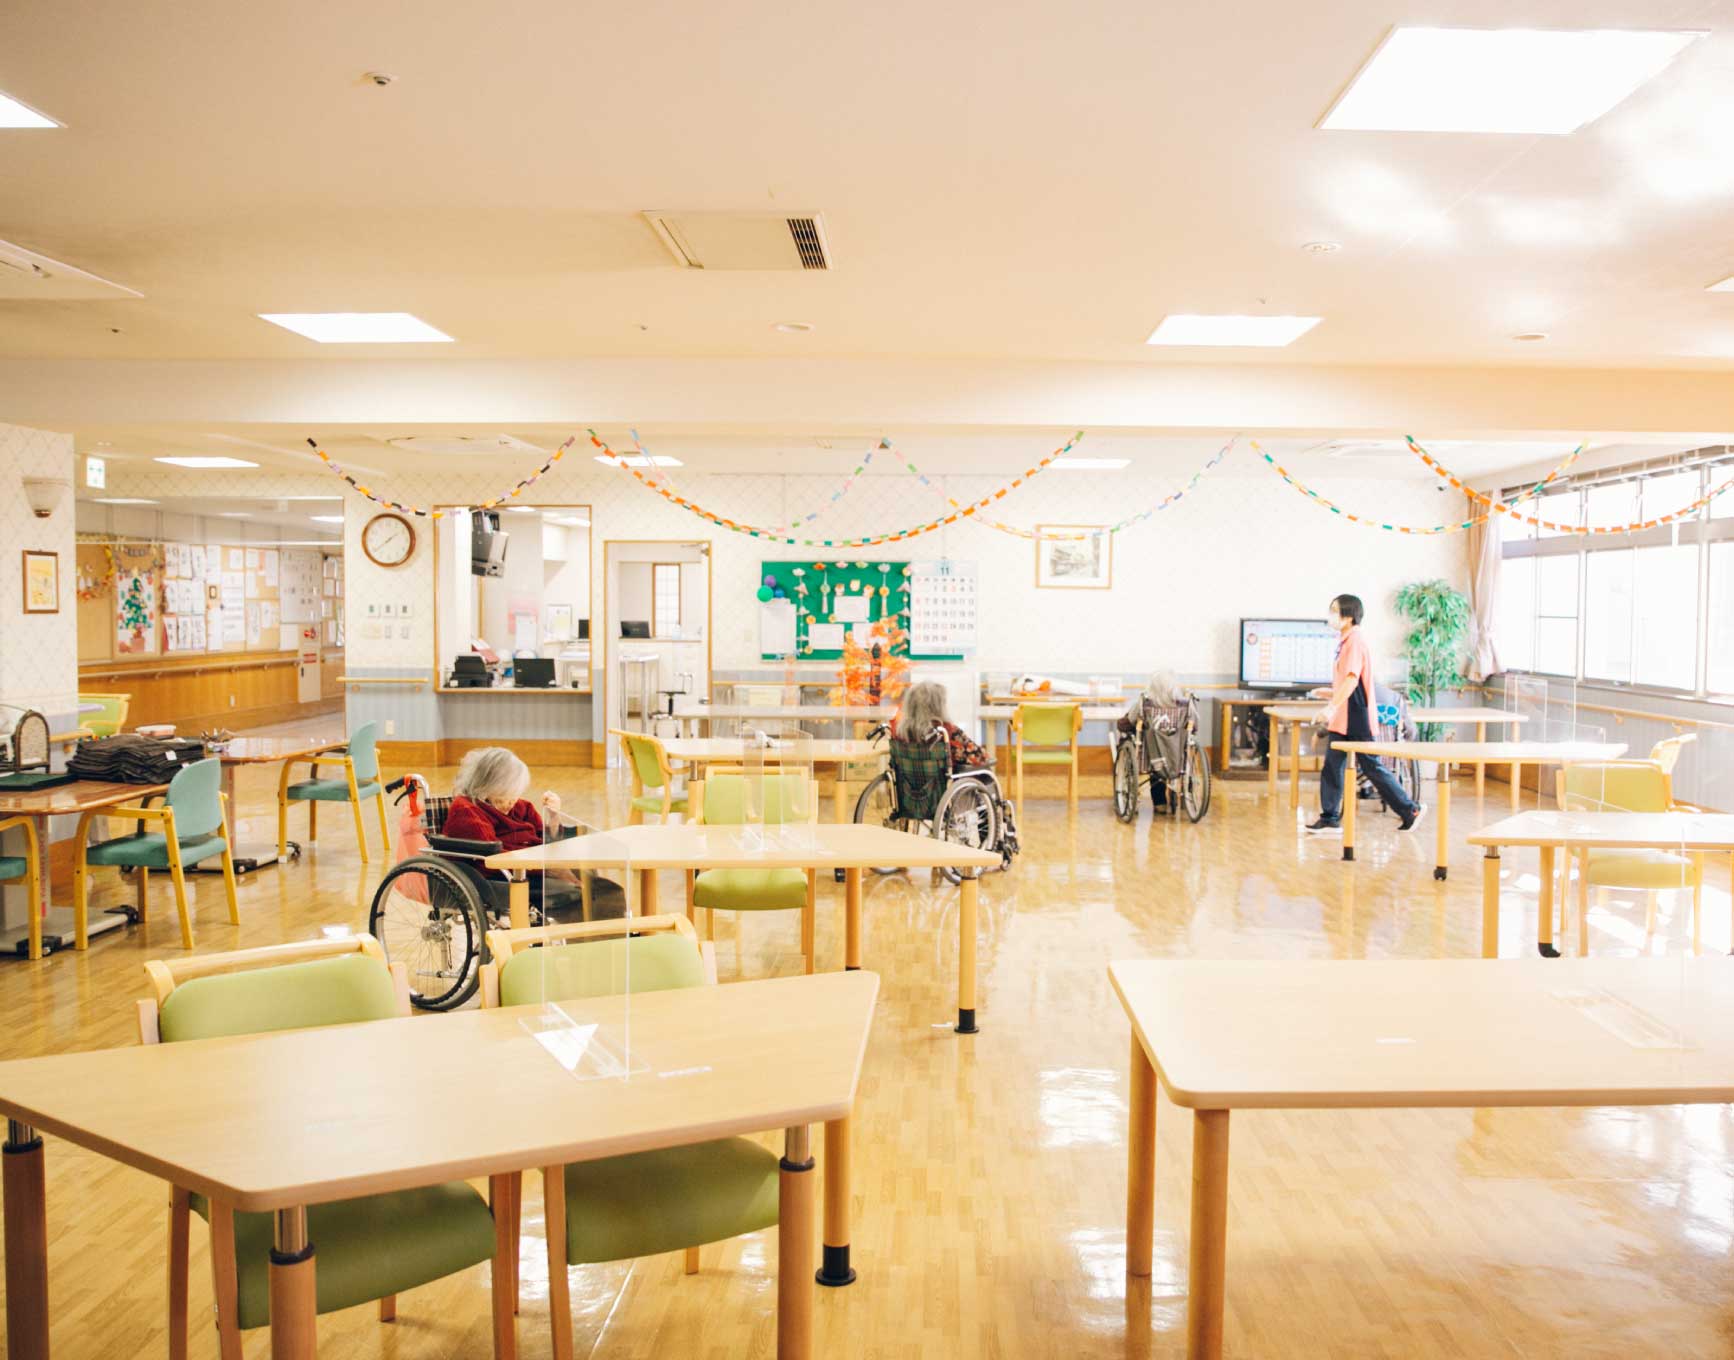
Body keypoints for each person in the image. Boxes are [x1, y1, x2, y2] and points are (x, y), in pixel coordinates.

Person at [1306, 594, 1424, 834]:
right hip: (1344, 717)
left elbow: (1352, 681)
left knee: (1371, 767)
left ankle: (1410, 809)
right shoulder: (1345, 641)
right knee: (1332, 766)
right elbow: (1348, 683)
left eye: (1334, 610)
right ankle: (1329, 818)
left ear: (1349, 616)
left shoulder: (1355, 641)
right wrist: (1328, 694)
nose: (1330, 615)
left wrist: (1331, 707)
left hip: (1355, 717)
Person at [443, 746, 597, 918]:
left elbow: (545, 840)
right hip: (505, 877)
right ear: (486, 786)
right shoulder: (466, 810)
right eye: (503, 796)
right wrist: (546, 868)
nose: (511, 802)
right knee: (579, 894)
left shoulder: (521, 806)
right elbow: (491, 857)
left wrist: (554, 817)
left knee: (596, 883)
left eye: (514, 794)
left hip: (534, 867)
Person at [1119, 670, 1188, 805]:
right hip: (1177, 754)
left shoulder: (1146, 703)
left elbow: (1131, 720)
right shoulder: (1183, 705)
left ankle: (1159, 803)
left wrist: (1121, 724)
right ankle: (1180, 797)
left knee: (1152, 752)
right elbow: (1193, 725)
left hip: (1153, 756)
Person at [894, 681, 990, 770]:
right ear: (938, 706)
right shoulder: (947, 731)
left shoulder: (900, 732)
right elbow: (981, 758)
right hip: (946, 781)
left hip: (908, 782)